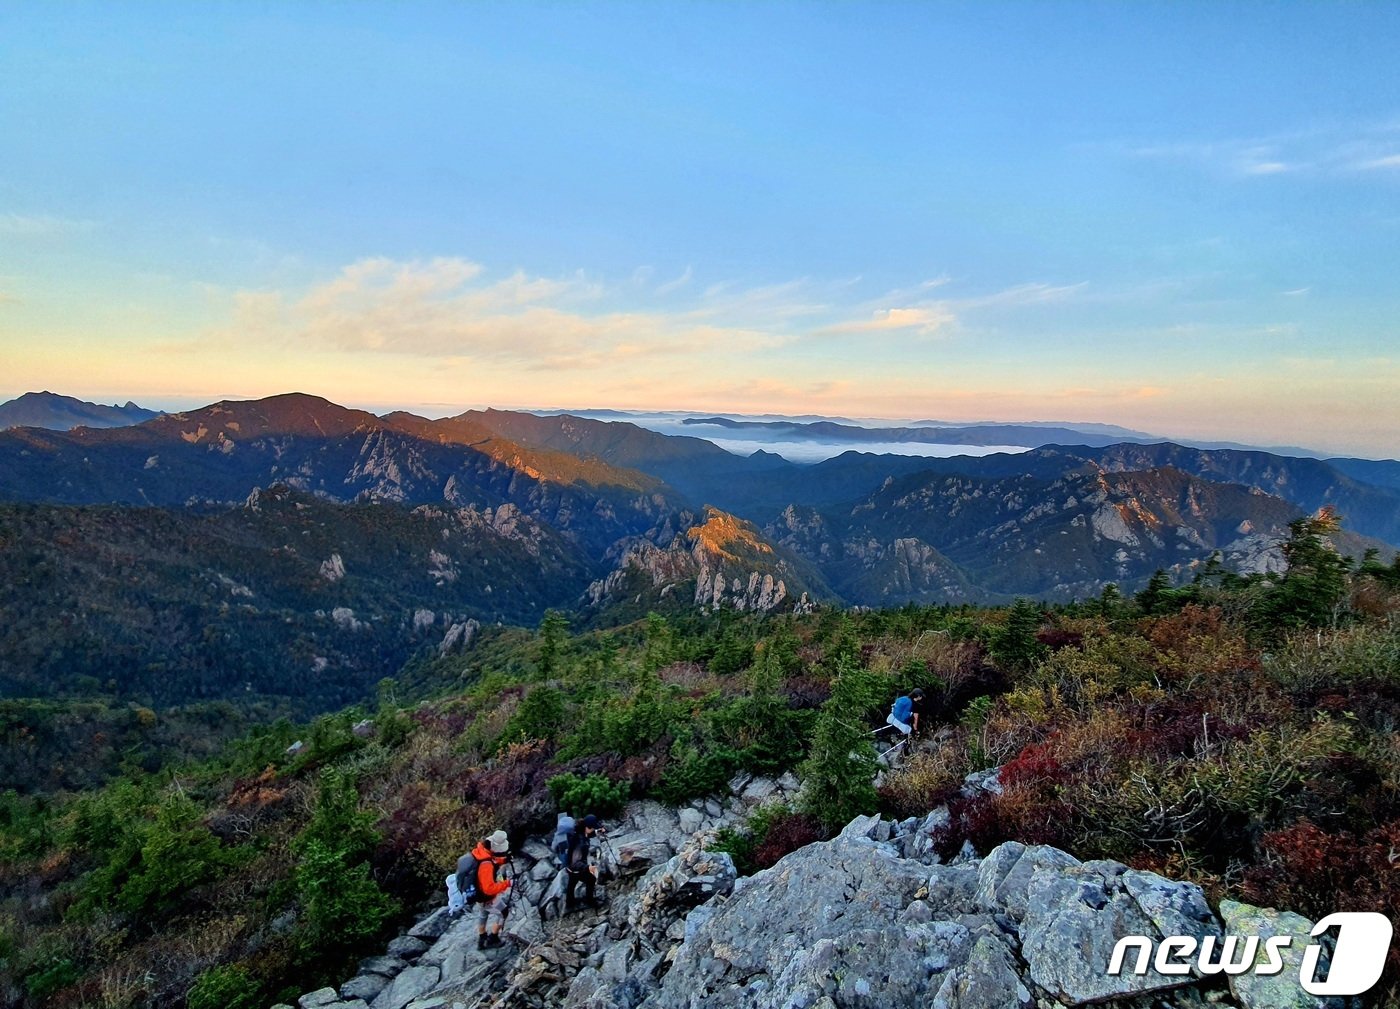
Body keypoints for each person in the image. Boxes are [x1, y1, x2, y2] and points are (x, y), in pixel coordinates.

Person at [464, 829, 512, 950]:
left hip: (478, 894)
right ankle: (493, 938)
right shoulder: (487, 865)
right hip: (486, 896)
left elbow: (490, 860)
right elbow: (489, 889)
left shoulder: (480, 851)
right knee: (503, 913)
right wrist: (507, 883)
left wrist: (504, 860)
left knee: (483, 913)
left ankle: (482, 938)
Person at [563, 813, 603, 912]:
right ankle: (589, 901)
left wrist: (599, 831)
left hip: (569, 867)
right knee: (591, 879)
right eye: (593, 828)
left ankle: (569, 903)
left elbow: (589, 834)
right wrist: (588, 867)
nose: (594, 829)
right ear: (588, 827)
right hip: (575, 868)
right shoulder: (580, 842)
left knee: (572, 883)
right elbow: (575, 862)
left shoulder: (579, 832)